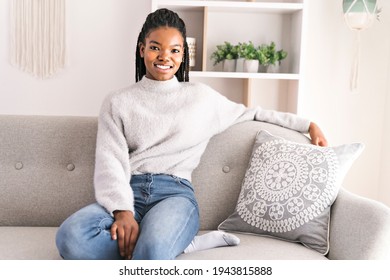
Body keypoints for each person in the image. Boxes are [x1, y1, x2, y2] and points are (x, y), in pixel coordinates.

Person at [56, 8, 327, 260]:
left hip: (175, 195)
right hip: (130, 191)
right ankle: (175, 244)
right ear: (142, 50)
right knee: (71, 239)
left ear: (183, 55)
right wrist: (122, 211)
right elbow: (110, 162)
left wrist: (307, 124)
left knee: (152, 251)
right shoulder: (117, 102)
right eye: (155, 48)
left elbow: (253, 113)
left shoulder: (201, 98)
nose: (164, 57)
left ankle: (161, 243)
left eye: (174, 50)